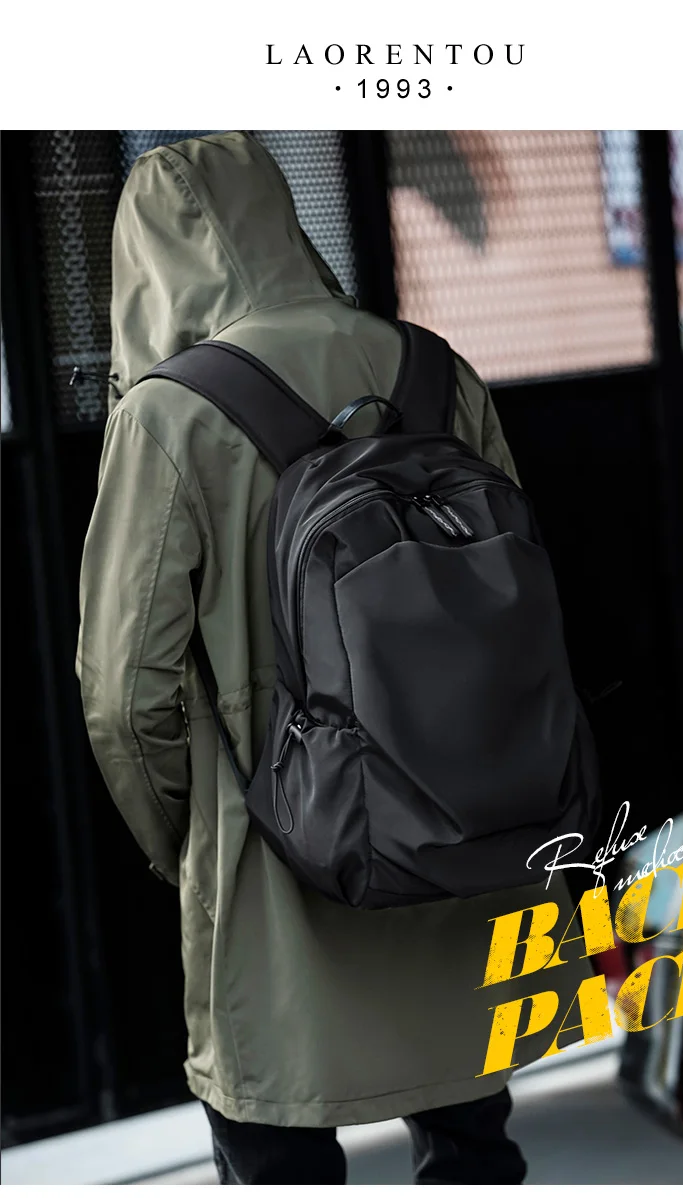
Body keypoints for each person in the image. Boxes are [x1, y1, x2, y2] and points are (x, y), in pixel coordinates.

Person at [77, 130, 562, 1184]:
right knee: (474, 1143)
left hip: (281, 867)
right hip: (464, 844)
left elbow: (123, 696)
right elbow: (522, 610)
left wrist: (189, 840)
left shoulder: (168, 414)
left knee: (278, 1147)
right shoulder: (434, 368)